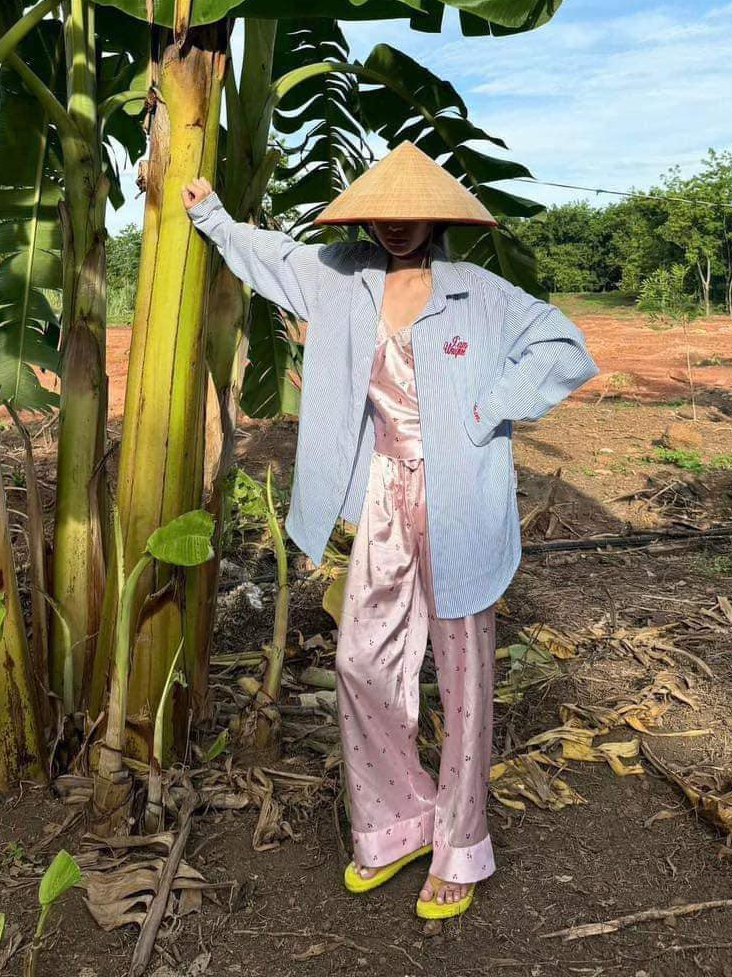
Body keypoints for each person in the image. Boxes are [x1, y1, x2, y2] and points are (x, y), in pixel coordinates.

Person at [182, 140, 599, 920]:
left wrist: (487, 407)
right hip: (382, 494)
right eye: (385, 213)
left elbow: (565, 346)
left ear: (437, 218)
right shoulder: (341, 277)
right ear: (366, 216)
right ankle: (398, 823)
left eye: (414, 214)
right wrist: (209, 215)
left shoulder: (481, 292)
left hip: (461, 498)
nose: (399, 227)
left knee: (465, 674)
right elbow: (270, 256)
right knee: (360, 660)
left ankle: (460, 844)